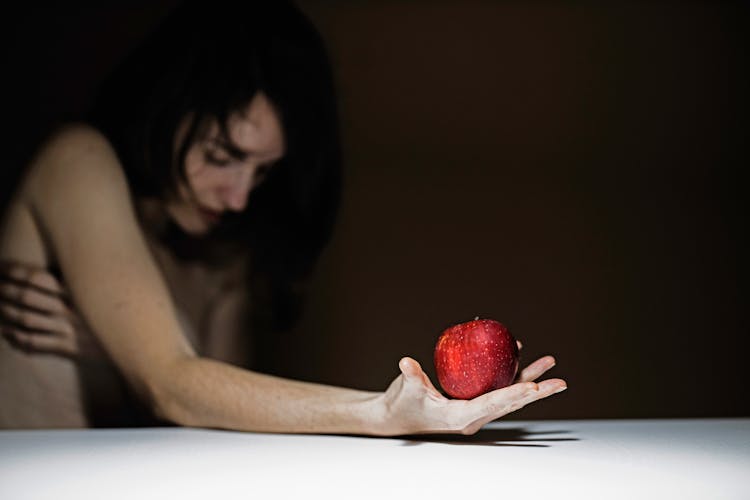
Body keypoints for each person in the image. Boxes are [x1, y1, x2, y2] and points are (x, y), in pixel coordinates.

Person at [0, 0, 566, 434]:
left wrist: (119, 351)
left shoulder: (222, 248)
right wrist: (386, 412)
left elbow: (213, 410)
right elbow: (173, 385)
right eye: (222, 157)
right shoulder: (78, 161)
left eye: (263, 172)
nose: (240, 197)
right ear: (163, 110)